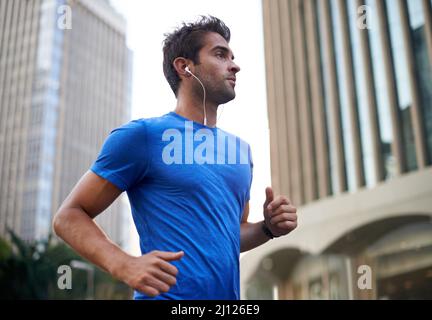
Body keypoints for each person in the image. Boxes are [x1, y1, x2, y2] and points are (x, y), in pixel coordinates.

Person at [53, 15, 298, 300]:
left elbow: (230, 236)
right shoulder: (142, 136)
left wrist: (267, 228)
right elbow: (68, 216)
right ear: (185, 67)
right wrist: (124, 264)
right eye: (220, 54)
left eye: (233, 56)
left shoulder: (241, 150)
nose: (235, 65)